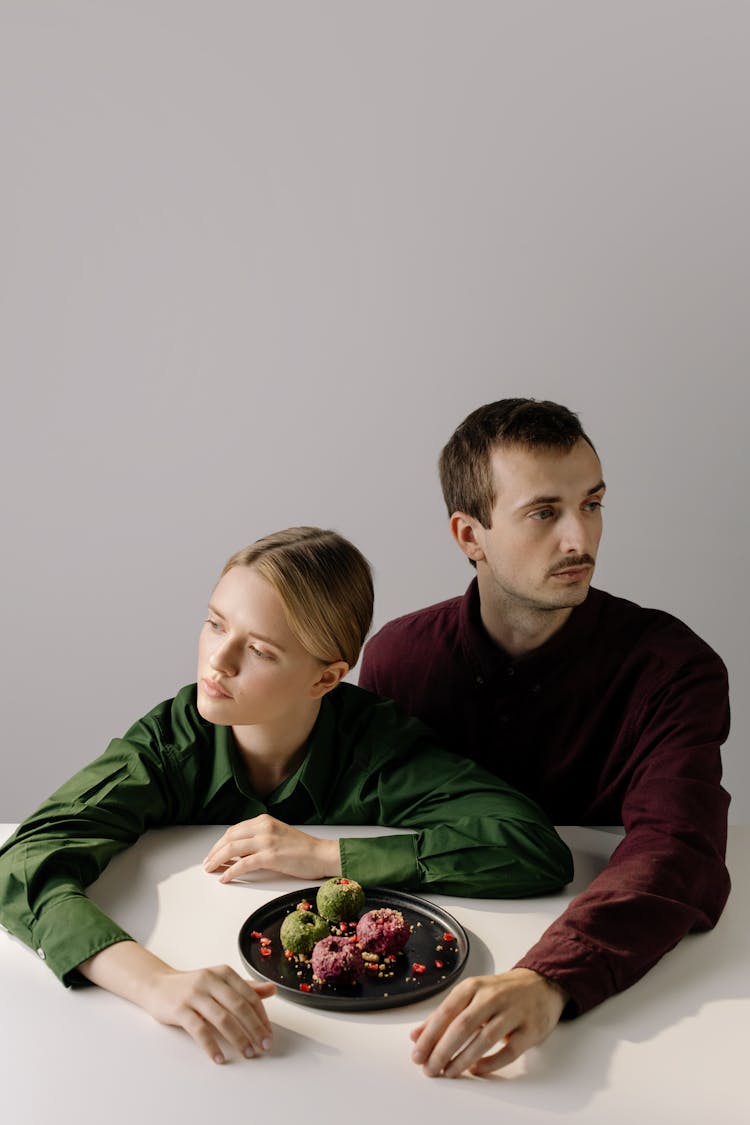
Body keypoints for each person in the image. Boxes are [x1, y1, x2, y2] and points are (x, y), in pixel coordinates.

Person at [0, 525, 572, 1066]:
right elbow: (23, 865)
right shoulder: (168, 745)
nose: (217, 662)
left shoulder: (377, 747)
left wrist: (328, 857)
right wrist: (157, 985)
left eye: (261, 650)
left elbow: (534, 849)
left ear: (326, 678)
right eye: (216, 624)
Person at [359, 398, 731, 1079]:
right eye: (544, 512)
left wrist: (548, 978)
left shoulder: (676, 668)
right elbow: (372, 822)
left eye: (592, 504)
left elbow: (679, 848)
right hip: (409, 997)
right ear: (470, 535)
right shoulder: (398, 661)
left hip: (636, 1018)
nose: (579, 539)